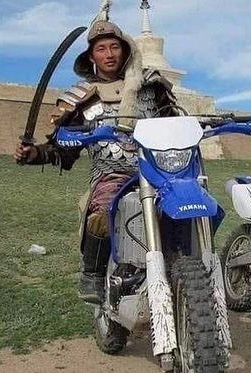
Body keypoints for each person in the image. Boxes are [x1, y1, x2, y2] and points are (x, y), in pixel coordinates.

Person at [14, 20, 176, 306]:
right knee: (102, 211)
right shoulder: (81, 98)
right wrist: (34, 154)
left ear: (125, 50)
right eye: (101, 49)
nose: (109, 54)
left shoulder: (152, 86)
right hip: (112, 174)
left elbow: (174, 123)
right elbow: (63, 149)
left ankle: (187, 268)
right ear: (92, 56)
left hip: (158, 170)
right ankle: (93, 274)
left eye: (115, 46)